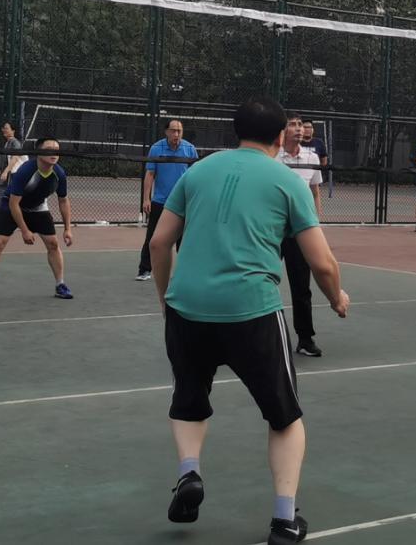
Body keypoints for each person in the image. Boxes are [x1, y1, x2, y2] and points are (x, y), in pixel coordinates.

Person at [148, 97, 349, 544]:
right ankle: (284, 520)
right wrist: (337, 297)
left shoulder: (197, 171)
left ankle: (189, 474)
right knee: (284, 417)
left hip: (187, 307)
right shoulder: (287, 180)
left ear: (235, 132)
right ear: (280, 136)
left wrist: (166, 299)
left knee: (188, 399)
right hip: (251, 310)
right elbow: (321, 263)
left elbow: (159, 243)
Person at [0, 138, 74, 302]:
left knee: (53, 244)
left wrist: (68, 229)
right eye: (49, 149)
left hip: (37, 207)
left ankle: (60, 285)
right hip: (11, 206)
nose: (54, 153)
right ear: (39, 152)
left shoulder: (59, 174)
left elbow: (63, 201)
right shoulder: (26, 171)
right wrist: (25, 230)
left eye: (56, 149)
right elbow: (14, 204)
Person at [276, 114, 325, 357]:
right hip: (272, 230)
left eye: (299, 125)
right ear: (283, 131)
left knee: (301, 287)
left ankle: (305, 339)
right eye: (292, 125)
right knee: (259, 281)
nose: (298, 128)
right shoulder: (272, 158)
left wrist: (315, 223)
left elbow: (314, 192)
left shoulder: (311, 157)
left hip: (299, 232)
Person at [136, 120, 199, 281]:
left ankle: (184, 272)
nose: (176, 134)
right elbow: (150, 174)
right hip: (160, 202)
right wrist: (146, 199)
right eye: (173, 130)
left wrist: (194, 200)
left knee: (184, 240)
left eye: (179, 131)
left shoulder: (190, 149)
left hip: (183, 203)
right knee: (152, 238)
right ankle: (144, 270)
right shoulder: (156, 148)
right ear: (166, 132)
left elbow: (195, 177)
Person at [0, 120, 25, 210]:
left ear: (13, 130)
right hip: (9, 173)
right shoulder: (8, 142)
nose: (4, 130)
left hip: (14, 173)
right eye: (3, 128)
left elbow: (15, 158)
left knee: (9, 195)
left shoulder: (15, 143)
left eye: (6, 128)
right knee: (1, 193)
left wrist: (6, 172)